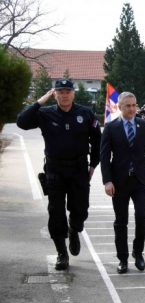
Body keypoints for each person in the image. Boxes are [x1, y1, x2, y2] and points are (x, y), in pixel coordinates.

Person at [17, 79, 101, 270]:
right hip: (55, 170)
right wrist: (40, 101)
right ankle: (62, 253)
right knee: (55, 212)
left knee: (80, 209)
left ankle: (74, 229)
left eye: (67, 92)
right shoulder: (45, 114)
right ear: (54, 94)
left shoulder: (85, 113)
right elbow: (22, 122)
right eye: (60, 92)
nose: (64, 95)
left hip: (79, 169)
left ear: (73, 94)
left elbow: (97, 140)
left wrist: (93, 165)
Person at [100, 92, 145, 274]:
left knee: (142, 217)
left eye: (134, 105)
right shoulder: (111, 128)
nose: (132, 109)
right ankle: (123, 258)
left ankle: (138, 252)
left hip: (141, 180)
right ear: (120, 107)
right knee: (121, 221)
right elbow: (104, 156)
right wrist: (107, 181)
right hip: (119, 182)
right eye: (128, 106)